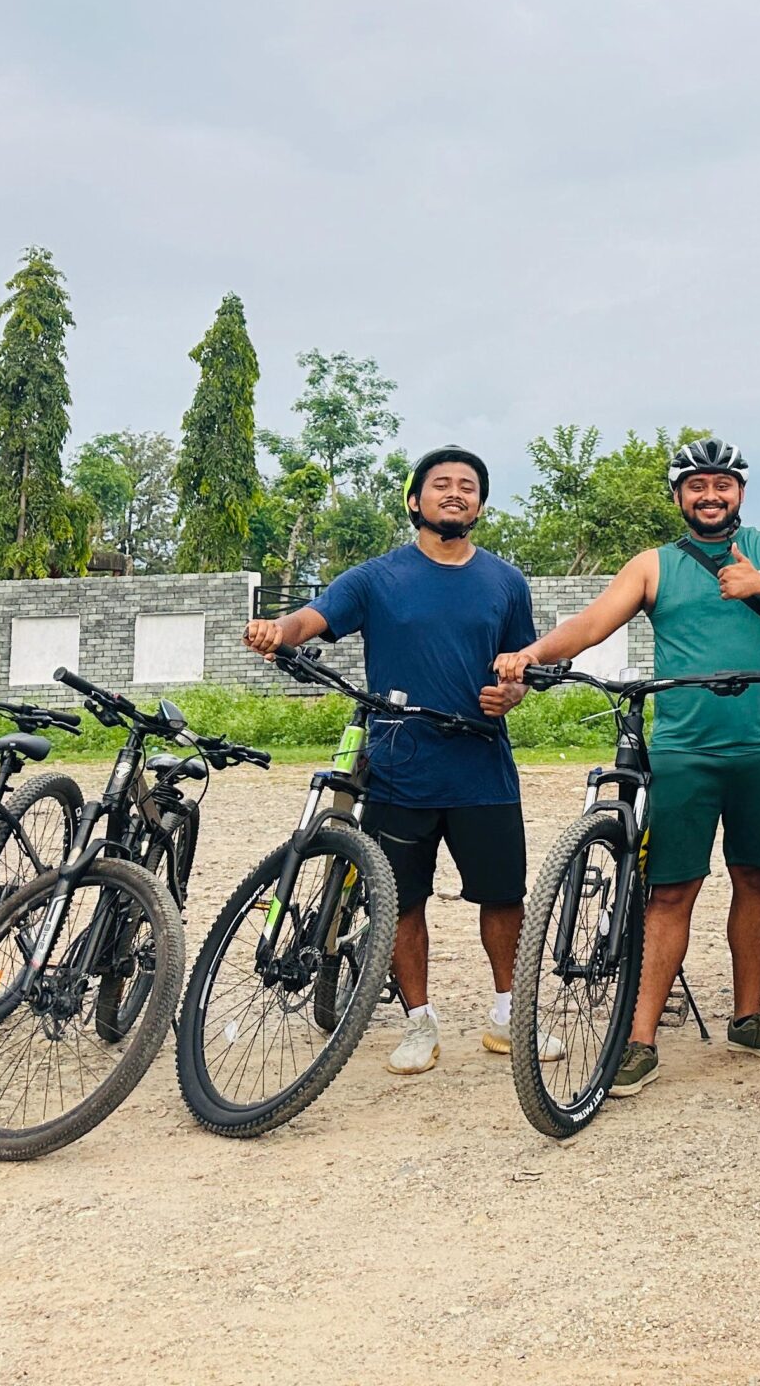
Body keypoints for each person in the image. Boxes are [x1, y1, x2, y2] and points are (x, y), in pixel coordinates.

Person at [493, 436, 760, 1097]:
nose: (710, 495)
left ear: (740, 492)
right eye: (697, 485)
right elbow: (591, 625)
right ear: (678, 496)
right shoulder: (654, 564)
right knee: (670, 891)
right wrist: (530, 655)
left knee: (756, 880)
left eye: (722, 484)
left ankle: (749, 1016)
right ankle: (638, 1040)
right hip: (683, 748)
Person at [244, 445, 554, 1075]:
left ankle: (507, 1013)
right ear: (415, 500)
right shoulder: (376, 578)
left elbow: (524, 665)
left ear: (481, 505)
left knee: (503, 898)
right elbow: (314, 617)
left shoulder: (505, 581)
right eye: (441, 484)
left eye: (468, 486)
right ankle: (419, 1021)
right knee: (400, 899)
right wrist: (280, 629)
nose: (455, 493)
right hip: (397, 764)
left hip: (481, 765)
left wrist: (512, 692)